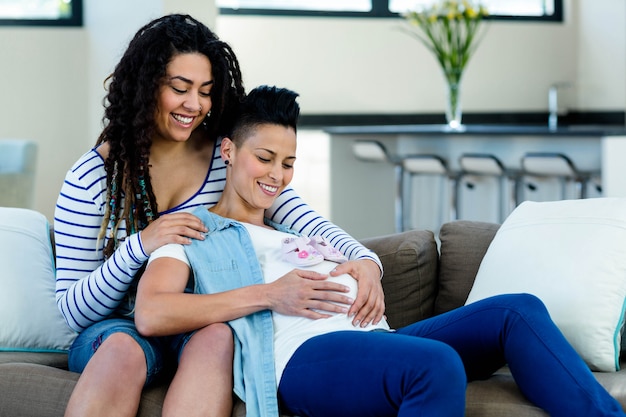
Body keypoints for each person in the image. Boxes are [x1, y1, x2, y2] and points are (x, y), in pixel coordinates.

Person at [135, 85, 626, 417]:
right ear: (227, 151)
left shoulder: (294, 227)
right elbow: (152, 313)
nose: (277, 176)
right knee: (434, 365)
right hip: (302, 359)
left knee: (516, 311)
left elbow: (352, 258)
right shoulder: (195, 230)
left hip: (380, 341)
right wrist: (269, 295)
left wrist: (365, 267)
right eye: (264, 158)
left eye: (288, 163)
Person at [54, 15, 384, 417]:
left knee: (217, 338)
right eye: (180, 88)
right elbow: (72, 310)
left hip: (204, 318)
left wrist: (367, 262)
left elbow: (306, 219)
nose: (194, 105)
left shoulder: (223, 158)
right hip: (118, 329)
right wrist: (141, 245)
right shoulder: (93, 176)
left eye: (206, 92)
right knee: (124, 347)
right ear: (145, 87)